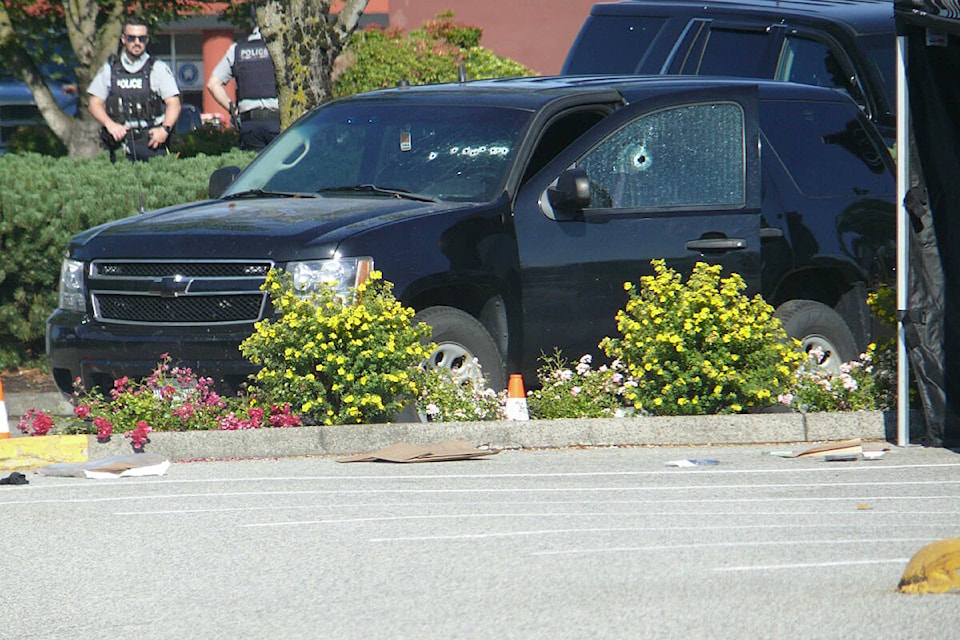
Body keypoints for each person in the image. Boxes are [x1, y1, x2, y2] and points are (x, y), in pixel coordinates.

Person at [88, 16, 181, 162]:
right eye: (132, 38)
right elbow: (94, 102)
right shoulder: (110, 69)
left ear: (147, 40)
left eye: (141, 38)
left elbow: (174, 103)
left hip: (152, 143)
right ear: (123, 39)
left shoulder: (157, 68)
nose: (137, 43)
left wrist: (165, 129)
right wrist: (110, 124)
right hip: (119, 144)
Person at [206, 27, 281, 151]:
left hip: (249, 125)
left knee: (255, 168)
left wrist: (233, 110)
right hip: (277, 122)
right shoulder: (280, 46)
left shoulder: (237, 49)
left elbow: (213, 84)